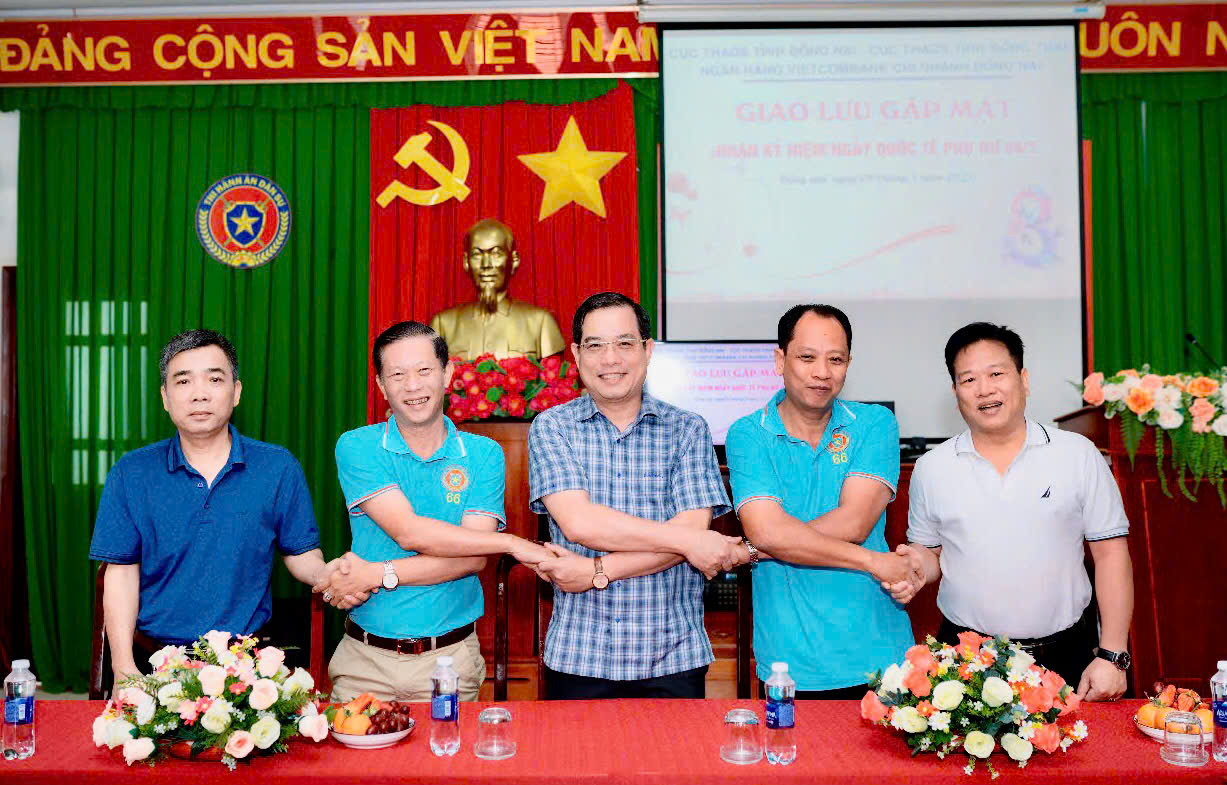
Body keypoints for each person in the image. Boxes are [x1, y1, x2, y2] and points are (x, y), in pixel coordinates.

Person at [527, 293, 753, 699]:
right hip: (580, 654)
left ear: (648, 350)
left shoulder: (688, 429)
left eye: (624, 343)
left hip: (673, 656)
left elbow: (691, 529)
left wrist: (596, 571)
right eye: (595, 345)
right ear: (576, 354)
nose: (610, 359)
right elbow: (580, 523)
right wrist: (688, 541)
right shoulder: (551, 427)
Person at [898, 322, 1134, 701]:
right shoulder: (932, 467)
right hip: (966, 659)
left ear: (1023, 379)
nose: (984, 389)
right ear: (955, 392)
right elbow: (931, 555)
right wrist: (912, 566)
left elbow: (1111, 555)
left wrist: (1113, 655)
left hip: (1064, 655)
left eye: (996, 374)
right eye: (969, 379)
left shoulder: (1077, 454)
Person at [89, 329, 333, 690]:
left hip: (247, 669)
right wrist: (124, 668)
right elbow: (121, 573)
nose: (199, 393)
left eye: (214, 379)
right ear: (165, 397)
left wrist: (333, 576)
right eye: (183, 380)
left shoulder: (277, 467)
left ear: (236, 391)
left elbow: (302, 556)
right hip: (154, 663)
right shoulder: (131, 472)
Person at [322, 320, 551, 702]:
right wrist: (510, 543)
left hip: (450, 661)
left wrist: (375, 574)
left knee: (450, 744)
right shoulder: (358, 446)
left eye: (424, 370)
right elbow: (409, 532)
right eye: (397, 375)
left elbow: (473, 557)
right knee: (351, 744)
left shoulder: (482, 454)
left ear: (447, 374)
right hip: (365, 662)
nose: (412, 386)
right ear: (381, 385)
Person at [725, 304, 921, 699]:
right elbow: (767, 531)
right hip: (789, 663)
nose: (822, 372)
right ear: (780, 360)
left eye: (836, 359)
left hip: (880, 655)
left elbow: (854, 523)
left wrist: (754, 549)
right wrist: (872, 561)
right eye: (807, 357)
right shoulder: (748, 434)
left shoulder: (873, 424)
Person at [429, 218, 566, 361]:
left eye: (496, 254)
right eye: (477, 254)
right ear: (466, 262)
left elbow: (554, 372)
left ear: (514, 261)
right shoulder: (443, 325)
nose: (486, 264)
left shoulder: (541, 323)